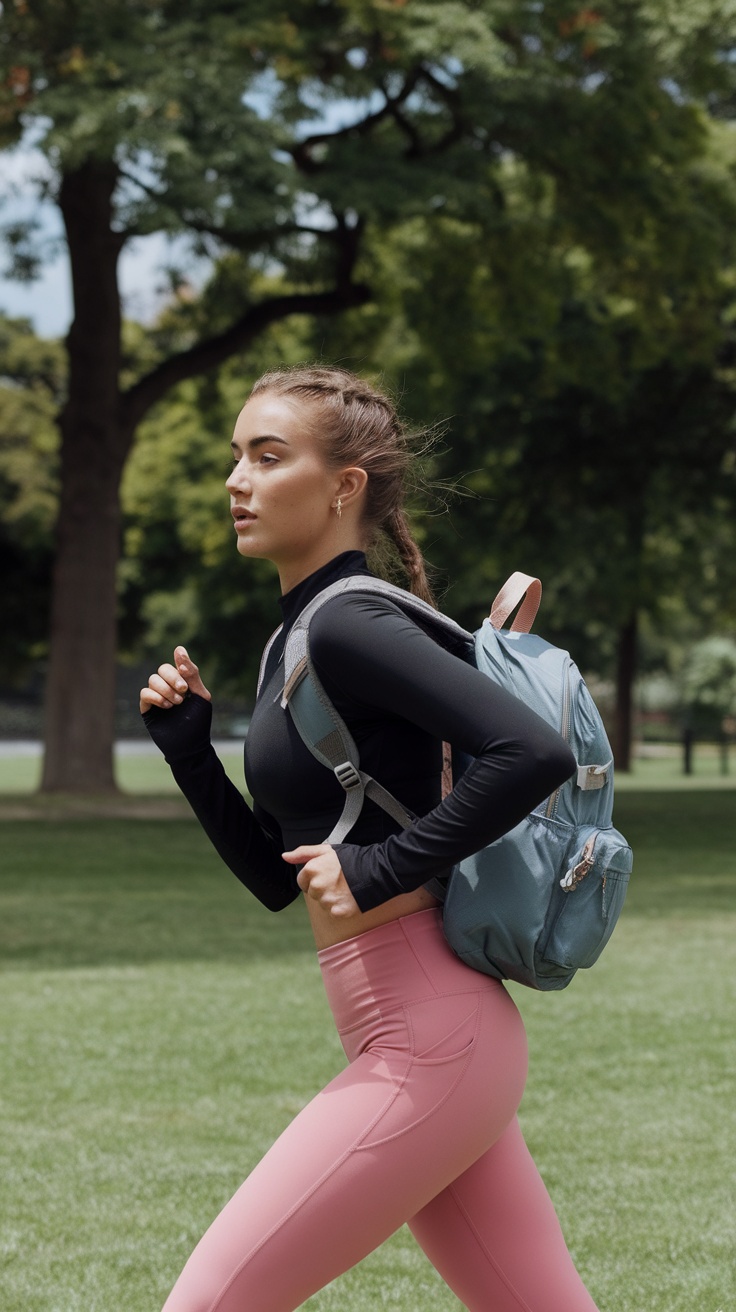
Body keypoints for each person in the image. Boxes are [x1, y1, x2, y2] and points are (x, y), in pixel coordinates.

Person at [141, 366, 600, 1312]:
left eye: (268, 457)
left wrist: (385, 864)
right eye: (236, 457)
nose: (238, 480)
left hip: (430, 1034)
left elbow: (531, 751)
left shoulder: (348, 620)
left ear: (345, 485)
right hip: (418, 1031)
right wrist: (191, 755)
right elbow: (283, 880)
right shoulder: (298, 638)